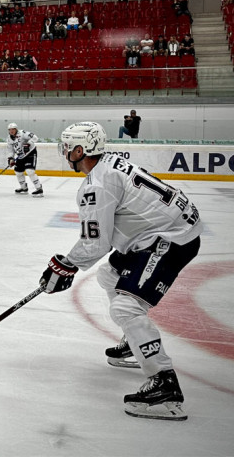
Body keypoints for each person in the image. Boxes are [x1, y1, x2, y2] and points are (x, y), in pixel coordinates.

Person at [40, 121, 202, 421]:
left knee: (126, 307)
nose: (64, 152)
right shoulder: (111, 163)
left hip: (171, 238)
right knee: (108, 276)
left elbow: (95, 244)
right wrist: (69, 265)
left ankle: (164, 385)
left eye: (67, 147)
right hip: (162, 231)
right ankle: (138, 343)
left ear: (79, 150)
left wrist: (65, 265)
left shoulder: (97, 184)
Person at [6, 123, 42, 196]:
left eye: (13, 129)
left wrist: (28, 143)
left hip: (30, 153)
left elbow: (35, 137)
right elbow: (10, 150)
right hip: (20, 156)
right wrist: (11, 158)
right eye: (10, 130)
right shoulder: (9, 139)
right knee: (18, 172)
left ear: (16, 129)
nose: (11, 131)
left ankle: (39, 189)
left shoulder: (23, 133)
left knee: (30, 171)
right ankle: (23, 188)